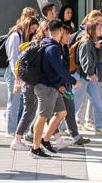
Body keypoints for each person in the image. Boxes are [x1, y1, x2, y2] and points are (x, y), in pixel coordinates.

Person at [30, 20, 79, 158]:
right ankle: (35, 148)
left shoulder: (49, 44)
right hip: (45, 87)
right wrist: (74, 81)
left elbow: (52, 70)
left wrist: (60, 85)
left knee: (62, 112)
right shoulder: (53, 48)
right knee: (42, 116)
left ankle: (45, 140)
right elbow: (60, 69)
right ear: (61, 31)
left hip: (53, 86)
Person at [11, 20, 48, 151]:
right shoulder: (41, 47)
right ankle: (18, 139)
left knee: (35, 112)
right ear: (47, 32)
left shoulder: (34, 45)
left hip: (30, 83)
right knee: (30, 112)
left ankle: (27, 136)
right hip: (32, 84)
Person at [72, 20, 102, 137]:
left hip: (89, 77)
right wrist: (91, 73)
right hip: (83, 76)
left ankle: (100, 126)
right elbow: (85, 60)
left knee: (96, 101)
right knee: (76, 102)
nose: (101, 30)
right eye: (99, 28)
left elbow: (99, 59)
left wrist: (100, 47)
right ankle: (62, 126)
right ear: (93, 30)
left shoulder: (92, 42)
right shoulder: (85, 42)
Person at [3, 15, 39, 150]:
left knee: (20, 101)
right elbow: (13, 57)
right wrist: (17, 74)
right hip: (14, 73)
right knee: (14, 100)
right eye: (32, 29)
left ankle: (16, 128)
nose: (32, 32)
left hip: (20, 73)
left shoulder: (22, 36)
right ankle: (11, 129)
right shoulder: (15, 36)